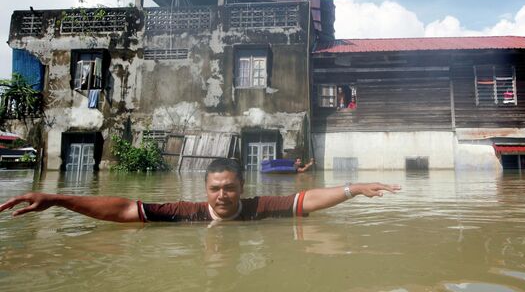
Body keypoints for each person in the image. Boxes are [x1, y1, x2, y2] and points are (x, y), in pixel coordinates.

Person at [0, 158, 400, 223]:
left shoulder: (259, 207)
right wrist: (57, 199)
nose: (222, 196)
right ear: (205, 189)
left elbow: (306, 199)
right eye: (215, 189)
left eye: (229, 189)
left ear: (241, 188)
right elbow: (124, 209)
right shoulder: (186, 214)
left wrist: (354, 188)